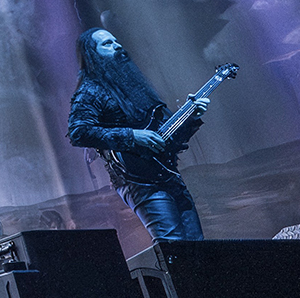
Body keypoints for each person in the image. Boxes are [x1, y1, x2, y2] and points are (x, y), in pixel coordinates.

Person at [67, 28, 210, 241]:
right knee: (173, 245)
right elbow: (78, 131)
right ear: (92, 54)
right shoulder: (90, 90)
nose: (117, 46)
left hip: (169, 176)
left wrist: (191, 118)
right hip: (137, 181)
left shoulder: (136, 88)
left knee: (197, 246)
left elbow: (168, 140)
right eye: (107, 44)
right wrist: (132, 136)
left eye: (116, 41)